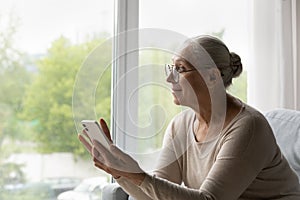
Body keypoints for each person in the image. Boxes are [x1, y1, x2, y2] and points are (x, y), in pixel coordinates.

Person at [78, 35, 300, 199]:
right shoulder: (181, 126)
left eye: (180, 68)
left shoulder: (248, 127)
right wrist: (120, 172)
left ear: (212, 76)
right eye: (170, 67)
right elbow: (156, 193)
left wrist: (137, 175)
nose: (169, 78)